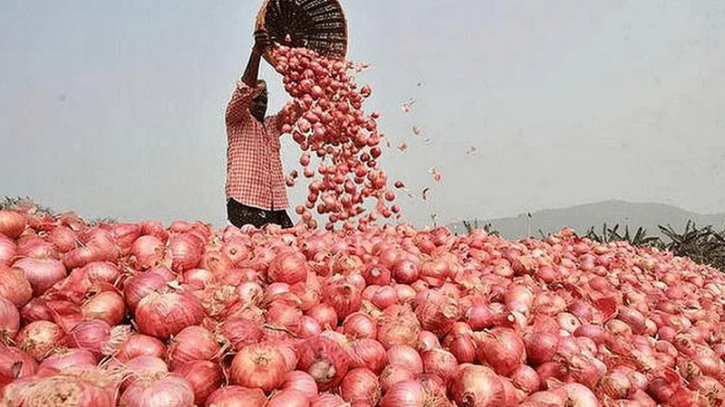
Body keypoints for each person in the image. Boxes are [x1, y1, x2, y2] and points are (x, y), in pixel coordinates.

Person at [224, 30, 300, 229]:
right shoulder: (236, 119)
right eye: (257, 99)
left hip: (276, 205)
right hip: (245, 202)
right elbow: (244, 90)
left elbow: (299, 108)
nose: (261, 104)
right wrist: (256, 52)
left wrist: (307, 77)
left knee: (289, 249)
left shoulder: (272, 125)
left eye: (265, 100)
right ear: (248, 102)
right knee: (256, 250)